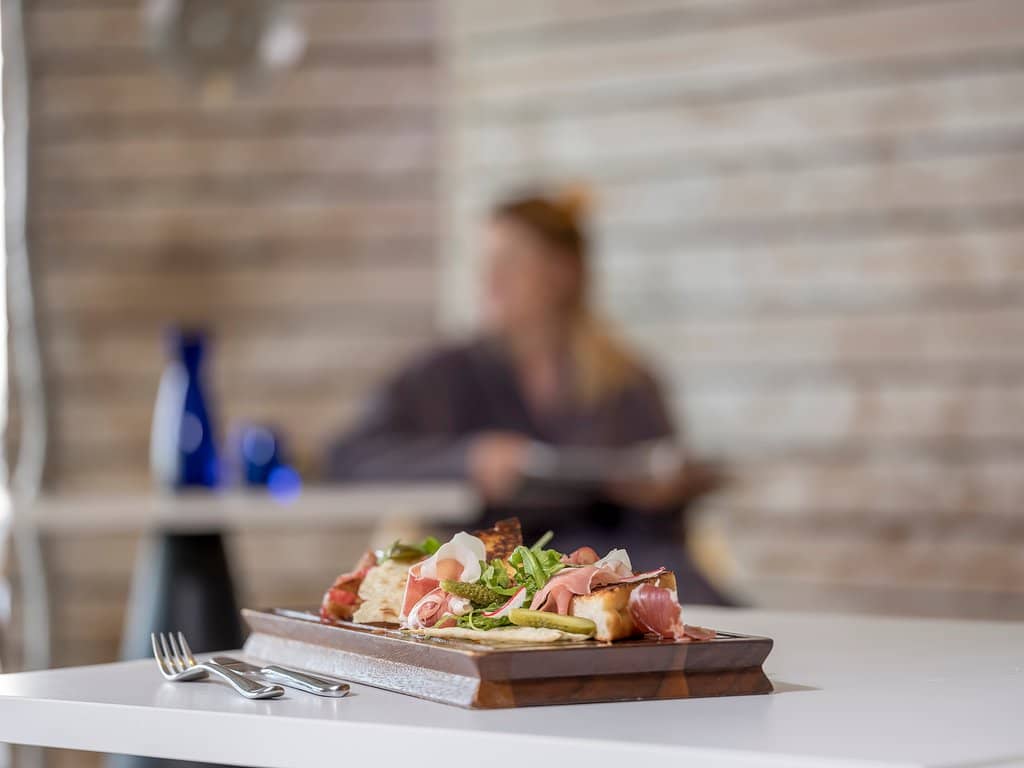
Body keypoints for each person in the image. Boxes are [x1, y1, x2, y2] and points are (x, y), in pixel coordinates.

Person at [326, 190, 729, 604]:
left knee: (717, 615)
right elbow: (347, 456)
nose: (491, 278)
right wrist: (467, 460)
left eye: (512, 261)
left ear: (562, 272)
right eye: (486, 262)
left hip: (616, 572)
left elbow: (668, 521)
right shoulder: (445, 375)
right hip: (495, 580)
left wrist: (658, 496)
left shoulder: (627, 382)